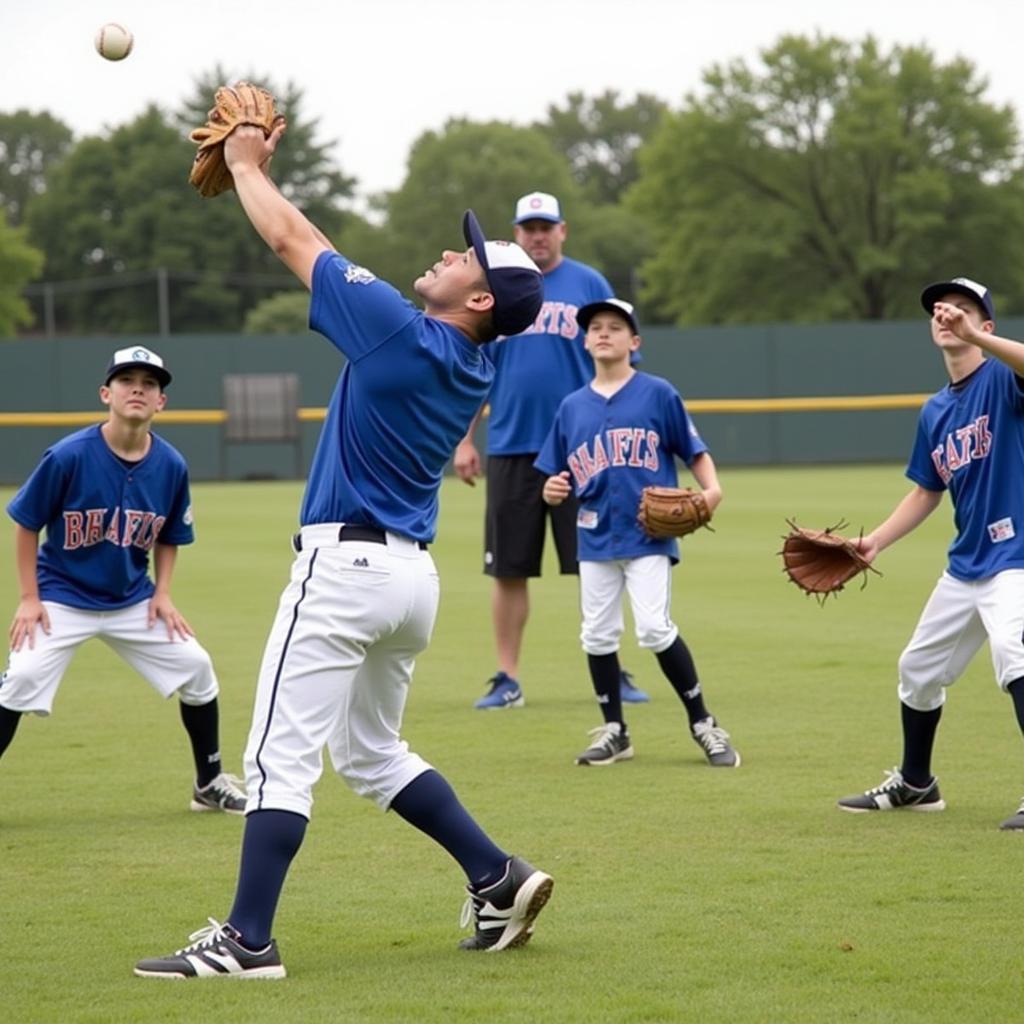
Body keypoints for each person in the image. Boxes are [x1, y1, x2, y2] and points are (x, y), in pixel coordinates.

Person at [134, 117, 553, 980]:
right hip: (409, 581)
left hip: (346, 570)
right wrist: (256, 172)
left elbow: (293, 237)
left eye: (467, 256)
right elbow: (322, 245)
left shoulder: (403, 333)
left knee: (274, 758)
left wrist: (248, 165)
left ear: (478, 301)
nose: (451, 250)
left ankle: (248, 941)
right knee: (370, 751)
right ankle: (497, 876)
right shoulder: (463, 356)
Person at [1, 346, 246, 815]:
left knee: (197, 667)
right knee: (23, 678)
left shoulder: (171, 464)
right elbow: (26, 522)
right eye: (127, 379)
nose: (138, 388)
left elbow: (171, 534)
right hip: (62, 597)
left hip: (132, 599)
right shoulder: (68, 456)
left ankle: (209, 781)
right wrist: (29, 597)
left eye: (150, 383)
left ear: (161, 403)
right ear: (105, 394)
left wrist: (164, 593)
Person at [837, 277, 1024, 830]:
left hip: (1017, 555)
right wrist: (874, 540)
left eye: (965, 311)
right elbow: (926, 490)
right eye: (943, 311)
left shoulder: (1004, 379)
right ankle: (917, 784)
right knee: (918, 670)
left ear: (986, 326)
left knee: (1015, 654)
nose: (949, 316)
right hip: (967, 564)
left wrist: (982, 339)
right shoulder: (936, 411)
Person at [455, 191, 650, 709]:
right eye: (529, 227)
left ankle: (614, 670)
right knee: (509, 567)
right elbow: (479, 368)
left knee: (601, 562)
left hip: (584, 448)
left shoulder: (589, 285)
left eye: (546, 226)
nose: (537, 235)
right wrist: (465, 439)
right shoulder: (498, 286)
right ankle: (507, 676)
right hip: (513, 445)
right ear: (517, 233)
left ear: (563, 230)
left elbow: (617, 362)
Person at [534, 298, 740, 768]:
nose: (604, 334)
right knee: (598, 635)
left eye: (615, 327)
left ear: (635, 342)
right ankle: (615, 731)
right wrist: (551, 490)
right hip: (594, 535)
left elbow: (694, 450)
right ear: (584, 341)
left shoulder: (657, 393)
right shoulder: (571, 408)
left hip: (648, 535)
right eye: (596, 328)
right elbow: (554, 478)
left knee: (653, 627)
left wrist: (713, 490)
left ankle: (703, 723)